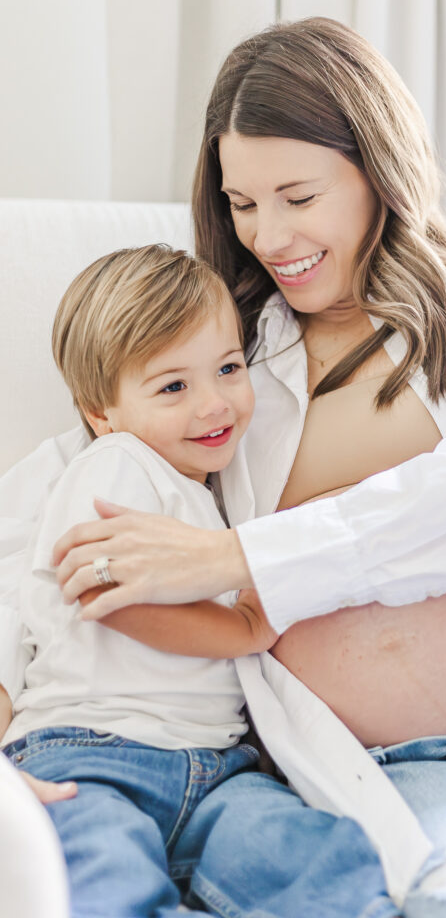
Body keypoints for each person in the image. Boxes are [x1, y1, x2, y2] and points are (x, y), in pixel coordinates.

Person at [4, 17, 446, 917]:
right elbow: (39, 523)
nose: (268, 235)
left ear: (376, 170)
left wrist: (236, 561)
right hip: (408, 772)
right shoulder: (219, 365)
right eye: (242, 204)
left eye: (296, 194)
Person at [1, 244, 281, 917]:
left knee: (307, 854)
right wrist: (244, 627)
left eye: (229, 368)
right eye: (173, 387)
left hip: (216, 768)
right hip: (89, 755)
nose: (214, 403)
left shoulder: (216, 494)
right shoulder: (115, 465)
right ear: (104, 414)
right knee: (100, 874)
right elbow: (102, 597)